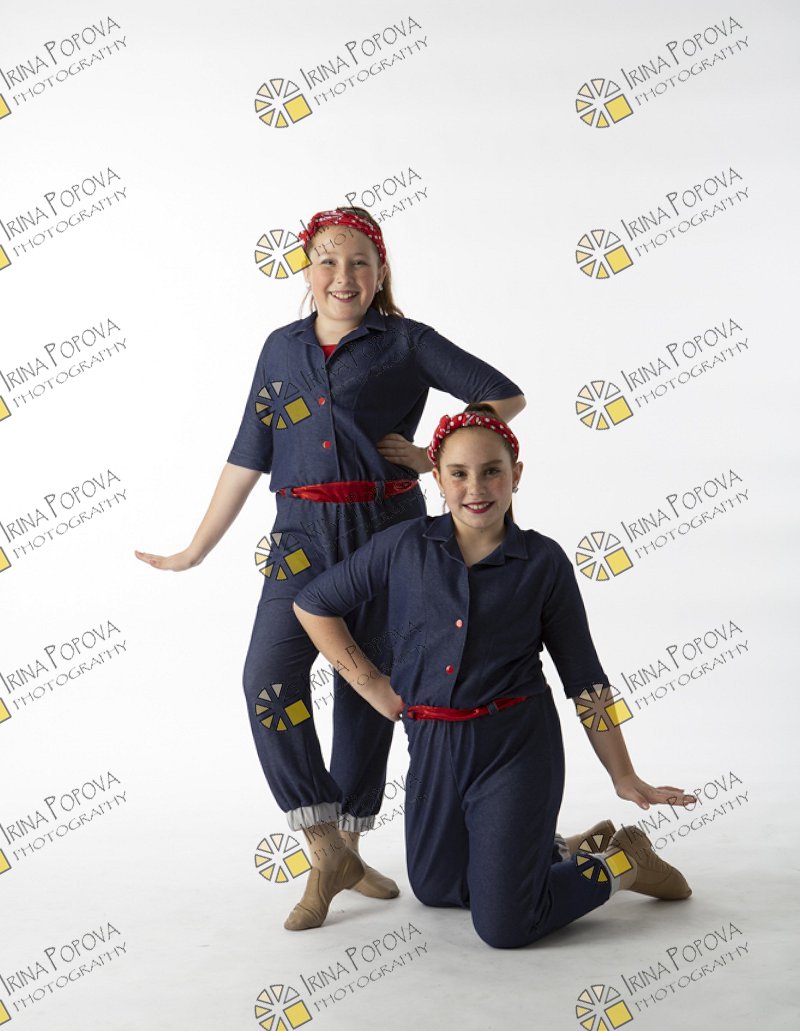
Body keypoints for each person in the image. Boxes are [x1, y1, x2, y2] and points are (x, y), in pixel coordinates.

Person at [134, 206, 530, 930]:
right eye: (327, 260)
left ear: (379, 272)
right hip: (299, 536)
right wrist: (196, 548)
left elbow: (505, 393)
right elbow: (248, 455)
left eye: (359, 262)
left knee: (366, 688)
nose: (342, 276)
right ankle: (324, 845)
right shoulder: (279, 349)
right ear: (307, 269)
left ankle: (348, 848)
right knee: (267, 680)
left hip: (389, 531)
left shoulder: (407, 341)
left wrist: (433, 454)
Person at [292, 405, 694, 949]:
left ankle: (624, 862)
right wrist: (372, 686)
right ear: (437, 478)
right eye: (458, 473)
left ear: (516, 475)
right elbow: (314, 603)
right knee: (436, 888)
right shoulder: (402, 546)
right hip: (432, 746)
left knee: (504, 925)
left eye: (491, 471)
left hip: (515, 747)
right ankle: (555, 852)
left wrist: (623, 774)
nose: (475, 488)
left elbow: (586, 681)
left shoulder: (543, 562)